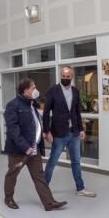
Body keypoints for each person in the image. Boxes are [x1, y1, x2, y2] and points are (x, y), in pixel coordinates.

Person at [4, 78, 67, 211]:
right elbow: (13, 130)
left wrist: (43, 133)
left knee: (39, 176)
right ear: (25, 90)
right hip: (19, 151)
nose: (36, 90)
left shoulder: (32, 104)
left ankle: (49, 203)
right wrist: (25, 147)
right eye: (33, 88)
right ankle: (8, 198)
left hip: (34, 148)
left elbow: (34, 123)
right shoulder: (13, 105)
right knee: (12, 174)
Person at [42, 66, 96, 198]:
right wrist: (47, 131)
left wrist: (81, 129)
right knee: (52, 161)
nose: (65, 79)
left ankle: (80, 188)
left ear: (72, 77)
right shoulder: (52, 90)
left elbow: (77, 112)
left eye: (68, 77)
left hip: (74, 133)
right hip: (59, 133)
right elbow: (45, 112)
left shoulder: (76, 91)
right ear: (60, 76)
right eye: (63, 76)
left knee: (76, 162)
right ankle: (43, 188)